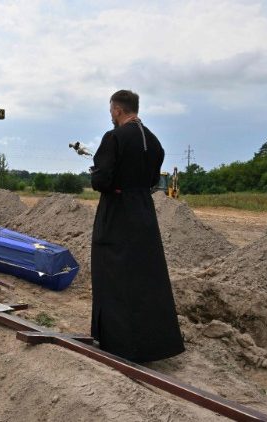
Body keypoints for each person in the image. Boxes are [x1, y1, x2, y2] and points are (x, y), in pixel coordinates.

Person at [89, 89, 184, 363]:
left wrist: (96, 175)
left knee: (114, 274)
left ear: (118, 110)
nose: (110, 115)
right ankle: (153, 344)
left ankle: (117, 343)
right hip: (144, 211)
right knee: (145, 277)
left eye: (111, 110)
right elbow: (153, 179)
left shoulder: (114, 137)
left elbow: (102, 181)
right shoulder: (154, 142)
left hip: (117, 213)